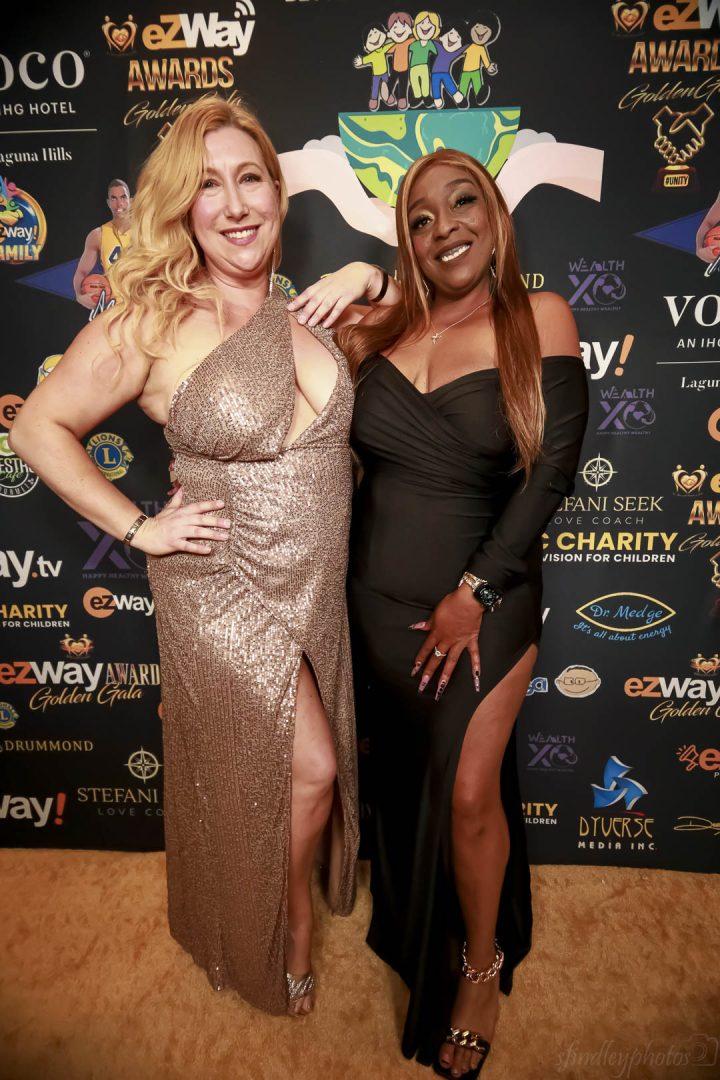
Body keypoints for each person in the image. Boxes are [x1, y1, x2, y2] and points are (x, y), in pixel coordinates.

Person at [9, 96, 360, 1018]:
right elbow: (38, 428)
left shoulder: (305, 310)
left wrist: (364, 273)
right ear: (183, 208)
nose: (236, 204)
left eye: (251, 179)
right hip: (220, 584)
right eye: (209, 186)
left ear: (278, 194)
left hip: (313, 582)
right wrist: (140, 529)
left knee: (282, 772)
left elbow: (420, 313)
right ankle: (283, 923)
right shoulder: (156, 317)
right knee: (309, 769)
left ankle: (259, 904)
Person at [289, 148, 588, 1076]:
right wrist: (361, 276)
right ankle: (425, 921)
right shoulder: (380, 332)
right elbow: (277, 383)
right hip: (374, 608)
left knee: (466, 792)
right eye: (420, 218)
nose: (444, 227)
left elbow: (552, 474)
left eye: (463, 203)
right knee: (416, 785)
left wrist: (475, 592)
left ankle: (481, 968)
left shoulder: (538, 317)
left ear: (495, 216)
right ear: (406, 242)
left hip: (485, 605)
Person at [73, 179, 132, 309]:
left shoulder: (146, 232)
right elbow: (81, 271)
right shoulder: (98, 235)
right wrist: (79, 296)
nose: (119, 203)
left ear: (130, 200)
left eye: (123, 197)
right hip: (115, 307)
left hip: (143, 306)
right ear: (108, 203)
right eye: (114, 198)